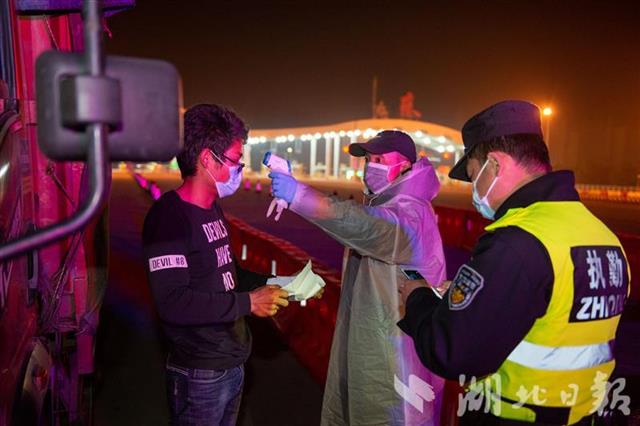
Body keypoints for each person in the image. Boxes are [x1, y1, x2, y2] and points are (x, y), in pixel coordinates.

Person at [398, 100, 631, 425]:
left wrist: (417, 298)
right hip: (586, 414)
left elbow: (451, 351)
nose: (474, 190)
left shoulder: (516, 242)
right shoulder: (602, 236)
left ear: (495, 164)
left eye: (473, 175)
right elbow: (553, 315)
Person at [269, 130, 447, 425]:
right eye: (368, 159)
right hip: (373, 351)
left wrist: (300, 196)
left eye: (379, 160)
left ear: (404, 166)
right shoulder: (385, 205)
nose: (370, 166)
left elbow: (364, 226)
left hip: (396, 366)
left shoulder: (412, 212)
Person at [142, 104, 290, 426]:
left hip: (231, 363)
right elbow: (173, 302)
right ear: (208, 160)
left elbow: (228, 274)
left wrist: (280, 282)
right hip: (199, 375)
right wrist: (250, 303)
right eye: (236, 160)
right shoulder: (169, 219)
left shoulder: (213, 210)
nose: (241, 168)